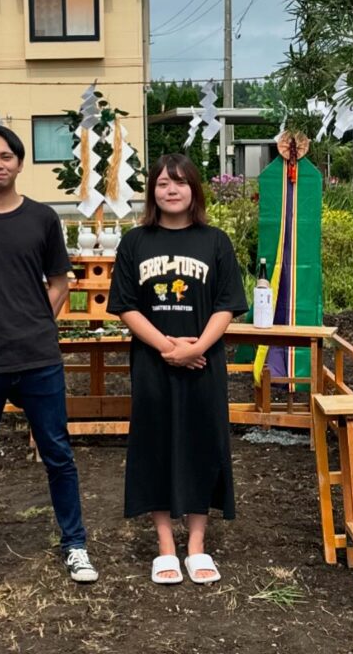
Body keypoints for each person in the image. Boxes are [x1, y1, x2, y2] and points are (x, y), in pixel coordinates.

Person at [0, 124, 99, 595]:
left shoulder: (43, 219)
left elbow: (61, 283)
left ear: (20, 163)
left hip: (38, 358)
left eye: (7, 156)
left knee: (58, 455)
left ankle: (75, 544)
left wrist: (34, 324)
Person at [107, 153, 248, 585]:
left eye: (181, 182)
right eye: (163, 183)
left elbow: (227, 304)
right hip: (153, 365)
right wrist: (169, 347)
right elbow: (125, 306)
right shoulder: (135, 242)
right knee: (156, 446)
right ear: (152, 191)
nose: (171, 190)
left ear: (194, 190)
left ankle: (197, 545)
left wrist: (198, 347)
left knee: (203, 444)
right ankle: (166, 546)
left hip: (205, 364)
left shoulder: (215, 241)